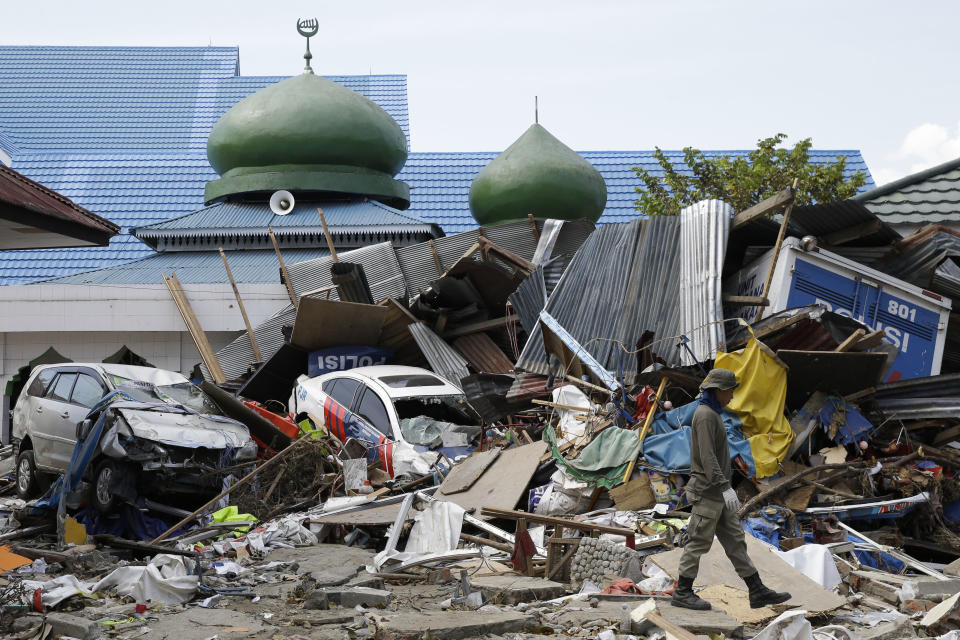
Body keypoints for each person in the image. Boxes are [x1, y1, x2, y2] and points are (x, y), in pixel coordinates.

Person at [670, 368, 792, 611]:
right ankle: (682, 592)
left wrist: (726, 490)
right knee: (698, 542)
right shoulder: (705, 415)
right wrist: (726, 487)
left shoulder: (712, 413)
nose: (732, 397)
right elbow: (707, 457)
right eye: (730, 391)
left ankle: (757, 591)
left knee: (736, 541)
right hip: (708, 492)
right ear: (718, 390)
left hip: (718, 493)